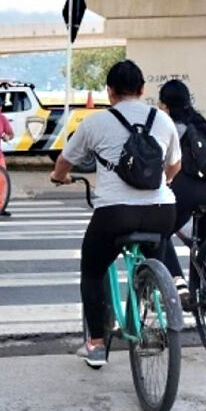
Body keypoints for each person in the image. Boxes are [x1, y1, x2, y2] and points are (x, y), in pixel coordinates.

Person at [50, 60, 181, 367]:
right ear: (142, 90)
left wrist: (59, 177)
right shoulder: (162, 120)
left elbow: (64, 162)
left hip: (114, 214)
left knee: (92, 270)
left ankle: (96, 343)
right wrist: (162, 180)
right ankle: (156, 292)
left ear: (109, 92)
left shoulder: (95, 123)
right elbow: (174, 166)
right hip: (162, 210)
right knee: (156, 250)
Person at [157, 80, 206, 306]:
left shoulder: (166, 125)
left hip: (188, 190)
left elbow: (159, 163)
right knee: (205, 238)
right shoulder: (204, 125)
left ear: (165, 106)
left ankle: (180, 286)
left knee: (159, 234)